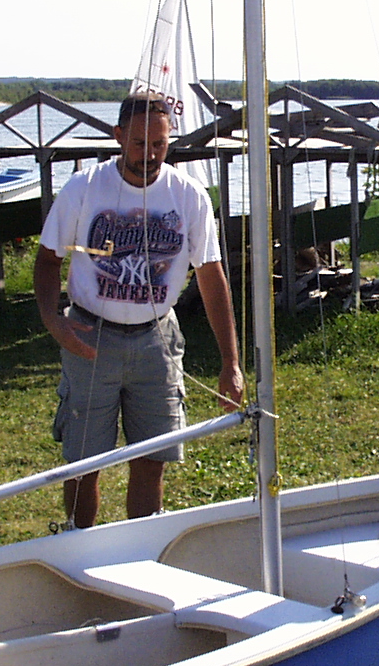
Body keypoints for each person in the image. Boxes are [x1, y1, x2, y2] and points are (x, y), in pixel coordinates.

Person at [34, 92, 243, 529]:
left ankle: (142, 549)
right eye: (138, 143)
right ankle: (78, 543)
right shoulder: (84, 189)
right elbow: (48, 259)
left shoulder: (188, 196)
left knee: (152, 459)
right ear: (118, 136)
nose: (148, 155)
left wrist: (231, 363)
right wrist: (54, 321)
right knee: (83, 462)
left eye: (159, 144)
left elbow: (211, 276)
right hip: (90, 337)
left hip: (156, 341)